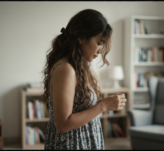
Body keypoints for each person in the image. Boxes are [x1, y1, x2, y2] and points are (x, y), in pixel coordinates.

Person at [40, 9, 127, 150]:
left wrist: (104, 103)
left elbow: (78, 107)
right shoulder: (66, 69)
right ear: (81, 38)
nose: (100, 50)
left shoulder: (79, 66)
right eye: (99, 43)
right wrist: (102, 106)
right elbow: (63, 125)